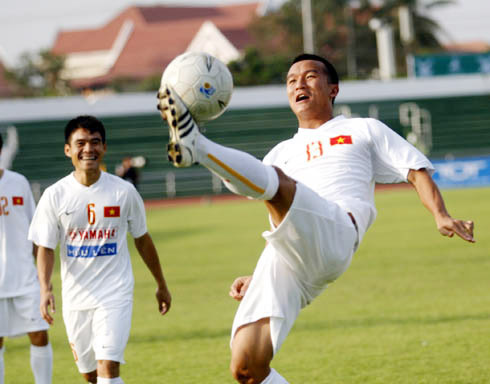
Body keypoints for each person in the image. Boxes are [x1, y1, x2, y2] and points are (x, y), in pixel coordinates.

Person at [158, 53, 476, 383]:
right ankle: (198, 146)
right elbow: (281, 221)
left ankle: (197, 144)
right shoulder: (281, 152)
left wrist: (441, 215)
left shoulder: (363, 128)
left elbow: (415, 171)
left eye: (310, 77)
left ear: (333, 89)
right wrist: (258, 276)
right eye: (292, 80)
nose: (299, 84)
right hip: (289, 257)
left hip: (338, 230)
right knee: (247, 368)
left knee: (277, 184)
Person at [28, 116, 172, 384]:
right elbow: (45, 247)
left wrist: (161, 283)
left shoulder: (124, 192)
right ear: (68, 150)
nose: (88, 149)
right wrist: (45, 288)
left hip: (114, 292)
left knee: (108, 368)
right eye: (80, 143)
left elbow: (142, 238)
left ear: (104, 147)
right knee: (90, 375)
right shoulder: (55, 195)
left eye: (95, 142)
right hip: (75, 298)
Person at [0, 134, 53, 384]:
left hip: (25, 278)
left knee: (40, 334)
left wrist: (45, 282)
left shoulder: (18, 182)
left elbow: (36, 231)